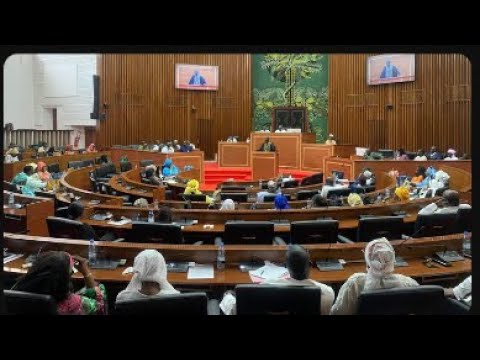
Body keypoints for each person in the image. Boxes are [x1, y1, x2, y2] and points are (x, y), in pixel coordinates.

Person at [219, 244, 335, 315]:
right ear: (310, 264)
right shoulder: (327, 293)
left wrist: (228, 296)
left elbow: (235, 310)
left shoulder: (265, 287)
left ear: (286, 267)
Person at [330, 238, 418, 315]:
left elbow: (338, 313)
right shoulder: (409, 284)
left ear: (368, 260)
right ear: (393, 260)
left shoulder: (355, 283)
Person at [12, 251, 107, 315]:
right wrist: (86, 272)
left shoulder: (16, 291)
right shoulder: (73, 303)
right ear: (64, 279)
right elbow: (99, 306)